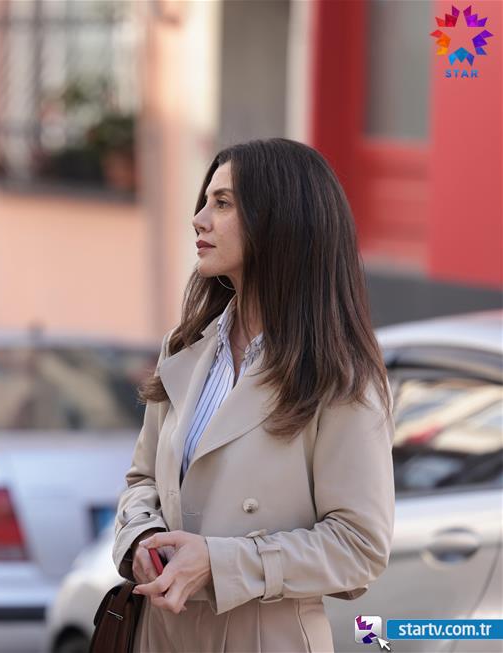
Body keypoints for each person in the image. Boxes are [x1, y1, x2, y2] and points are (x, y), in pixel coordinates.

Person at [113, 138, 395, 651]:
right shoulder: (183, 348)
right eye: (205, 201)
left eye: (222, 203)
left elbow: (359, 547)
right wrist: (140, 539)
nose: (198, 220)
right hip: (161, 635)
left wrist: (221, 563)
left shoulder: (339, 375)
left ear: (278, 222)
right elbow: (143, 480)